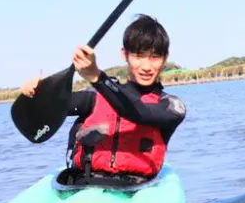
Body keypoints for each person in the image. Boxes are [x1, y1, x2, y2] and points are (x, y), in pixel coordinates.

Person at [20, 14, 187, 181]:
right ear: (125, 54)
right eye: (138, 56)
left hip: (136, 189)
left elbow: (139, 112)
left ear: (165, 58)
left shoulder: (172, 106)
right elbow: (51, 106)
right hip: (85, 185)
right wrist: (35, 93)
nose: (146, 66)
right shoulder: (94, 98)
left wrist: (97, 78)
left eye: (154, 57)